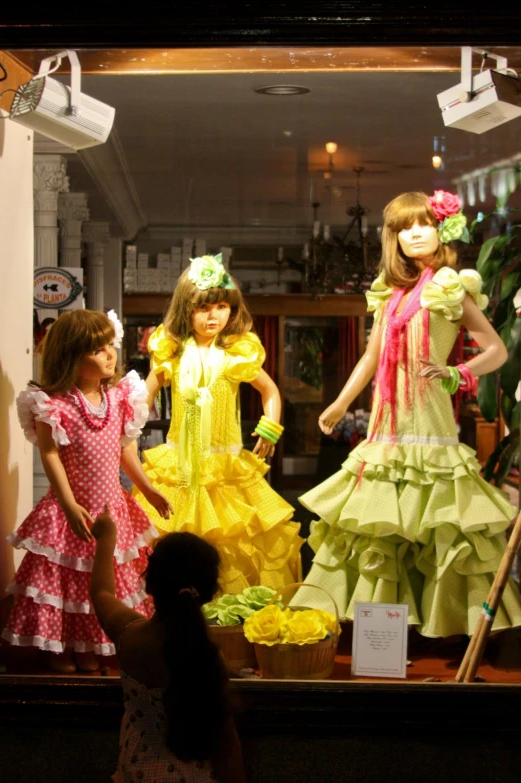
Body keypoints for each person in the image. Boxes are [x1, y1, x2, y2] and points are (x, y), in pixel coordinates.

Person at [293, 191, 521, 638]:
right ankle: (382, 630)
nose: (414, 233)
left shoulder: (449, 287)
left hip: (430, 423)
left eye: (423, 225)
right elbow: (371, 357)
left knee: (437, 522)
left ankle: (442, 621)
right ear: (392, 238)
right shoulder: (390, 295)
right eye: (403, 228)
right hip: (386, 426)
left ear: (440, 231)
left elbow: (496, 349)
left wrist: (458, 374)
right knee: (381, 522)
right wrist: (340, 402)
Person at [3, 309, 171, 673]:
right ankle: (65, 648)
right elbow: (50, 453)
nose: (109, 354)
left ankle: (96, 647)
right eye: (97, 349)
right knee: (68, 581)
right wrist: (66, 502)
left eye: (110, 345)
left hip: (112, 511)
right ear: (72, 356)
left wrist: (149, 489)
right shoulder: (54, 404)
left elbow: (125, 450)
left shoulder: (120, 398)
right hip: (72, 511)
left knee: (107, 578)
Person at [132, 254, 303, 593]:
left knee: (233, 537)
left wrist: (270, 427)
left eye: (223, 307)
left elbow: (270, 390)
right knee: (174, 533)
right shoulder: (173, 353)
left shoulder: (238, 353)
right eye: (203, 308)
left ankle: (225, 605)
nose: (214, 316)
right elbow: (144, 395)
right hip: (180, 463)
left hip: (226, 463)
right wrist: (128, 431)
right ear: (186, 310)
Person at [90, 506, 246, 783]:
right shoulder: (208, 657)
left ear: (150, 584)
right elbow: (228, 746)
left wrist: (107, 537)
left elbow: (101, 592)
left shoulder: (130, 637)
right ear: (208, 593)